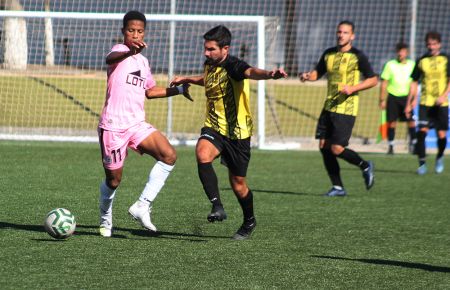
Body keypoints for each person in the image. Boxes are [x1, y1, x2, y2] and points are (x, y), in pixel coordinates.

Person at [170, 25, 287, 240]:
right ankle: (217, 207)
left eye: (211, 49)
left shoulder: (234, 65)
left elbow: (251, 72)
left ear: (225, 49)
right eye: (205, 48)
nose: (206, 53)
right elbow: (208, 79)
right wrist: (187, 79)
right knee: (202, 154)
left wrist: (270, 74)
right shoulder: (210, 64)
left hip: (238, 134)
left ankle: (249, 221)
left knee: (238, 184)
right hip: (214, 127)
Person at [97, 11, 192, 237]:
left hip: (136, 124)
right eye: (131, 30)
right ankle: (105, 219)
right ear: (123, 32)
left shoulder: (143, 61)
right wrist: (130, 50)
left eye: (139, 31)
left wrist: (177, 90)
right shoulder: (119, 51)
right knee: (114, 180)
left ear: (144, 32)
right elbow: (109, 59)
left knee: (169, 155)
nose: (135, 34)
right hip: (113, 126)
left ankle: (142, 205)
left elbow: (149, 91)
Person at [299, 20, 378, 197]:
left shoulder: (358, 56)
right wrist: (306, 76)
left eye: (345, 33)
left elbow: (373, 80)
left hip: (346, 109)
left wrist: (353, 88)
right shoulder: (328, 53)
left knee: (336, 148)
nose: (341, 35)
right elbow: (317, 73)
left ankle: (365, 165)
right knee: (323, 146)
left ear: (352, 36)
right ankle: (338, 187)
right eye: (339, 32)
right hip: (329, 106)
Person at [405, 31, 450, 175]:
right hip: (425, 102)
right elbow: (414, 82)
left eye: (434, 44)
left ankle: (439, 157)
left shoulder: (446, 59)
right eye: (429, 44)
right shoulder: (421, 60)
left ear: (439, 44)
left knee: (441, 135)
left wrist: (444, 96)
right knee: (421, 133)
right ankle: (422, 163)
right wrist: (409, 102)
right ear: (426, 45)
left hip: (441, 104)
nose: (431, 47)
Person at [379, 42, 417, 155]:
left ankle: (414, 144)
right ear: (397, 52)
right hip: (393, 97)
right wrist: (382, 99)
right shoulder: (390, 64)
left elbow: (414, 83)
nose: (401, 53)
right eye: (399, 51)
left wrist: (414, 99)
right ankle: (391, 146)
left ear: (407, 52)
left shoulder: (412, 64)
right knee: (391, 123)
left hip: (407, 98)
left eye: (403, 51)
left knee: (411, 122)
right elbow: (384, 83)